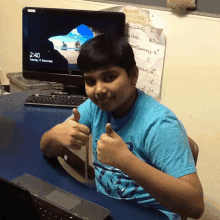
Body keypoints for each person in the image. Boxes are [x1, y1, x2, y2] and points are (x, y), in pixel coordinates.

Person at [40, 34, 204, 220]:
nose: (99, 90)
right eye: (90, 81)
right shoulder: (95, 107)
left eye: (109, 77)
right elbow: (46, 148)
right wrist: (55, 134)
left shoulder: (160, 125)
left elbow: (195, 207)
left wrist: (126, 161)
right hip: (105, 210)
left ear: (133, 76)